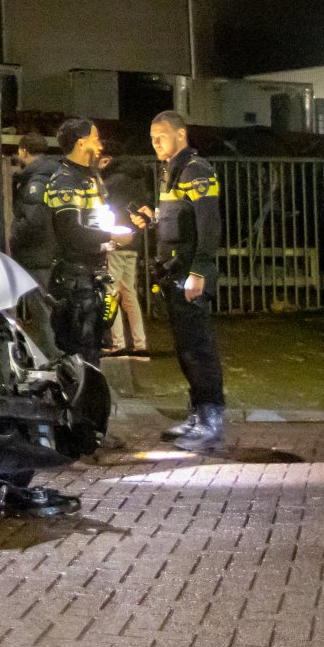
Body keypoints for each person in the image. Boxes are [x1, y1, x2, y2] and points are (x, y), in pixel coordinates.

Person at [132, 111, 225, 453]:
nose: (155, 142)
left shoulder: (196, 170)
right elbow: (178, 220)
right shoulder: (171, 171)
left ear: (181, 135)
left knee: (199, 349)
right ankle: (197, 414)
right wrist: (152, 220)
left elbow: (209, 225)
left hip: (189, 273)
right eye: (152, 137)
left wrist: (199, 271)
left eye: (161, 135)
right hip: (174, 273)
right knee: (186, 349)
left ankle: (211, 420)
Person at [44, 119, 132, 367]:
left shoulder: (90, 177)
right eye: (96, 139)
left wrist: (117, 228)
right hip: (75, 280)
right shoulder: (65, 181)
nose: (100, 145)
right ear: (81, 143)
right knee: (81, 354)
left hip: (92, 275)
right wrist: (111, 236)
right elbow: (70, 231)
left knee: (92, 349)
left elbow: (95, 219)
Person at [99, 151, 150, 360]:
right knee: (130, 294)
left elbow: (102, 206)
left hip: (116, 242)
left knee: (111, 294)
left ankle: (117, 343)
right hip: (133, 244)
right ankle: (140, 344)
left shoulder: (111, 181)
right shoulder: (138, 179)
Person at [10, 132, 58, 287]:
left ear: (24, 151)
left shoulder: (36, 181)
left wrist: (14, 236)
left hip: (36, 255)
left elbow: (34, 220)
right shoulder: (53, 174)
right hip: (50, 252)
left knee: (37, 299)